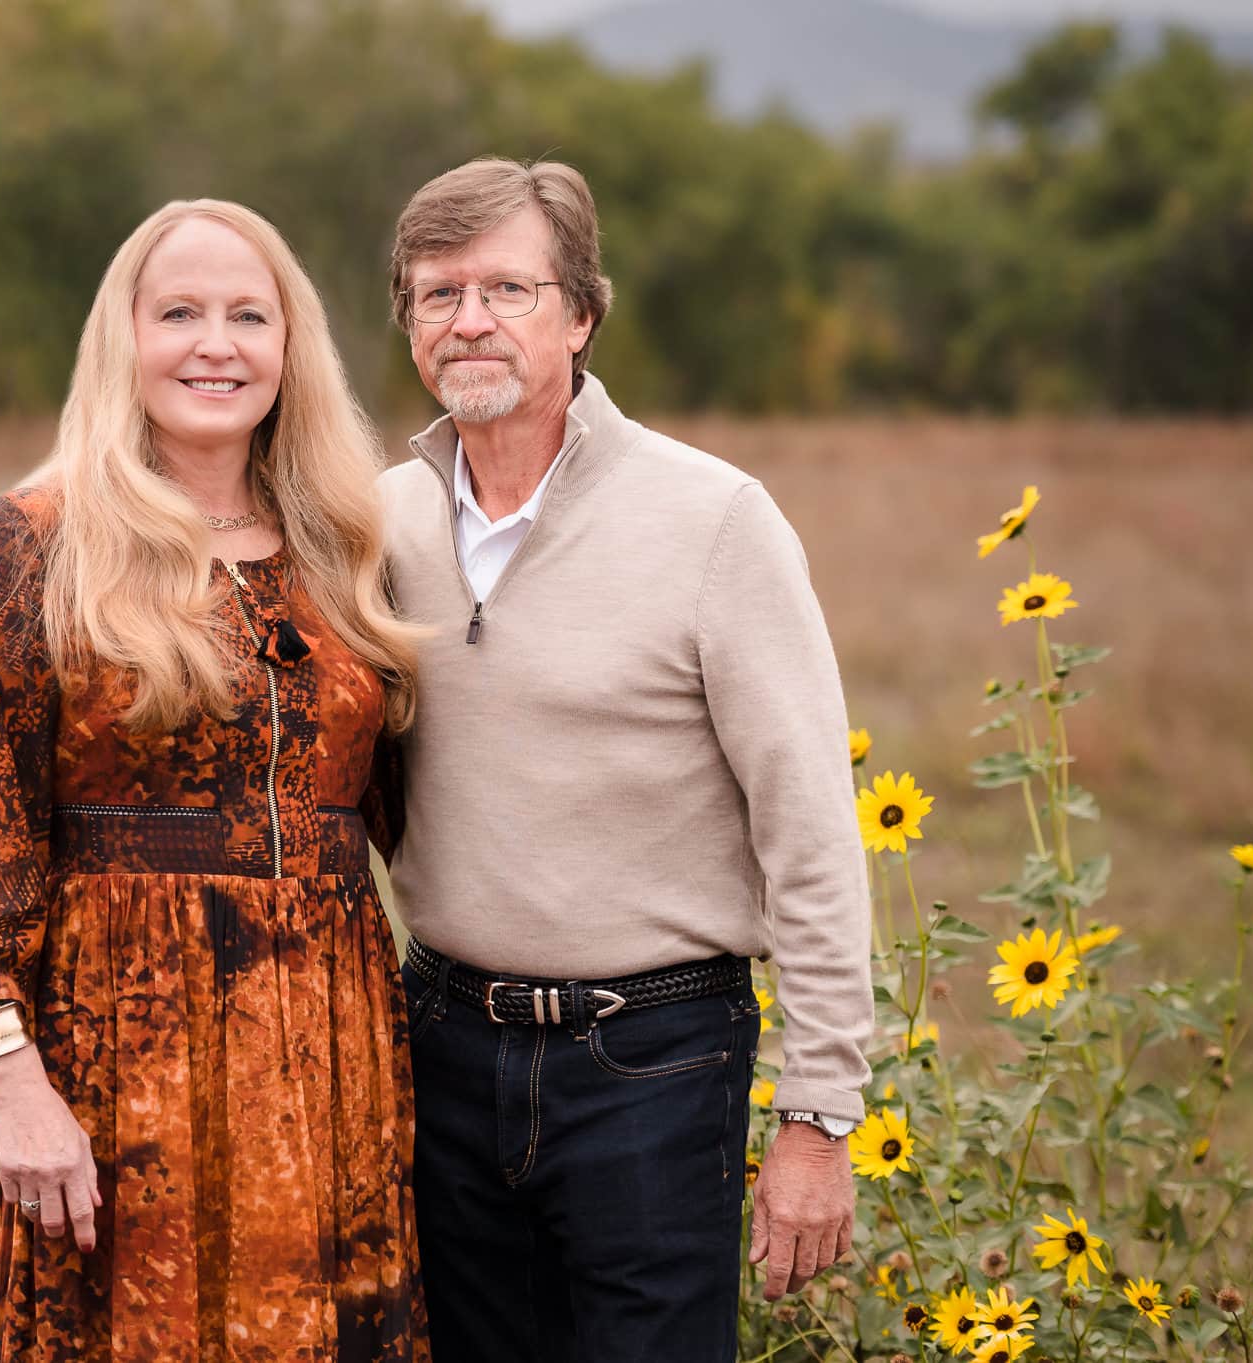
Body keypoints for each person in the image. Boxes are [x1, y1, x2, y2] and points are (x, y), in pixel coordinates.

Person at [0, 199, 427, 1363]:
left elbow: (416, 810)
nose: (214, 345)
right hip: (118, 1051)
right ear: (120, 339)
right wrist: (13, 1078)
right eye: (178, 312)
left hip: (333, 1055)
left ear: (290, 349)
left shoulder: (341, 542)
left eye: (248, 314)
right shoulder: (33, 541)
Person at [376, 157, 873, 1362]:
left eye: (508, 288)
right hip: (440, 1042)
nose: (470, 321)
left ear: (582, 312)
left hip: (651, 1056)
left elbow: (807, 830)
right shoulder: (374, 519)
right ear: (407, 325)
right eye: (437, 295)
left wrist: (815, 1117)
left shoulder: (712, 520)